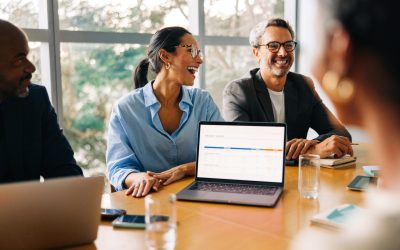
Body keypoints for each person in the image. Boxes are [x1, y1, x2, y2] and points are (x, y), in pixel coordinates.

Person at [291, 0, 400, 249]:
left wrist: (313, 148)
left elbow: (340, 132)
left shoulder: (331, 244)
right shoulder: (240, 89)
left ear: (339, 52)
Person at [106, 26, 223, 197]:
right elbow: (118, 168)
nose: (199, 60)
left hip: (197, 198)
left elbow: (222, 155)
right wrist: (138, 178)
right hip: (148, 200)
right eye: (192, 51)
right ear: (165, 56)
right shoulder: (125, 109)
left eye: (200, 53)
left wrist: (184, 169)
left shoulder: (203, 102)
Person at [223, 18, 353, 161]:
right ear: (256, 53)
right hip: (260, 180)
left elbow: (342, 133)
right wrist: (312, 151)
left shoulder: (303, 85)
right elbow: (242, 149)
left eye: (288, 45)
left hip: (298, 177)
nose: (283, 53)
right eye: (273, 45)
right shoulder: (238, 91)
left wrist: (312, 144)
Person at [0, 19, 83, 183]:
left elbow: (65, 173)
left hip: (31, 209)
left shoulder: (35, 101)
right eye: (19, 59)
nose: (31, 68)